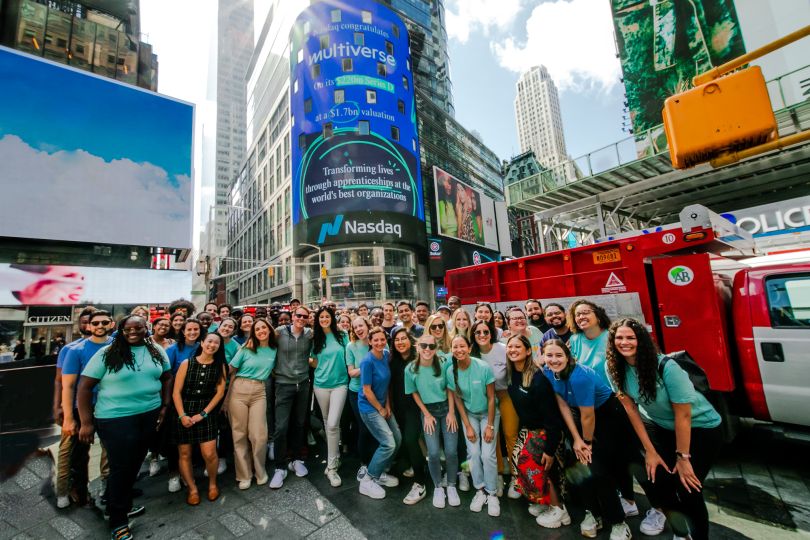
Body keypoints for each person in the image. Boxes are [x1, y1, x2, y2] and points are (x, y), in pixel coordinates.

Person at [607, 318, 722, 540]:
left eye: (631, 337)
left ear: (642, 340)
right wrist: (649, 451)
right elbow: (631, 409)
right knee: (658, 483)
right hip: (657, 425)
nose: (624, 342)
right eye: (619, 338)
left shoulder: (666, 367)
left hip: (700, 428)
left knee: (688, 488)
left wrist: (683, 457)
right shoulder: (613, 367)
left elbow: (683, 414)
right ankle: (681, 533)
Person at [77, 315, 172, 540]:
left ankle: (116, 504)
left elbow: (167, 378)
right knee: (122, 468)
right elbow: (84, 388)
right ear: (120, 330)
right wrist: (86, 422)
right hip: (115, 418)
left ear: (145, 328)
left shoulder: (156, 350)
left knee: (134, 464)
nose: (133, 332)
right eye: (128, 329)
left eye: (138, 328)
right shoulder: (107, 353)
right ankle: (119, 521)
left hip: (148, 415)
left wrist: (165, 405)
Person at [543, 339, 633, 539]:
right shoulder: (548, 372)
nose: (554, 360)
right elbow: (564, 406)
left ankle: (619, 523)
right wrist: (576, 438)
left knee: (598, 469)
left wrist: (587, 443)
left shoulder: (579, 376)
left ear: (568, 356)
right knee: (577, 469)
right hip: (579, 418)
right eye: (549, 355)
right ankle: (593, 513)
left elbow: (588, 415)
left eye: (559, 355)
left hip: (604, 417)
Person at [505, 334, 566, 526]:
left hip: (546, 431)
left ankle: (559, 510)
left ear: (528, 351)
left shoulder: (538, 380)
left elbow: (552, 418)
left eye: (518, 347)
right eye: (510, 347)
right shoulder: (512, 374)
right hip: (529, 429)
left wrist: (549, 449)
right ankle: (545, 502)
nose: (513, 350)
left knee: (541, 467)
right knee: (521, 464)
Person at [60, 310, 113, 507]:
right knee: (78, 454)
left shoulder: (117, 347)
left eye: (104, 322)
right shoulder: (75, 350)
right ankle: (78, 491)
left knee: (110, 451)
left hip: (109, 407)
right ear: (88, 326)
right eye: (96, 323)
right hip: (82, 409)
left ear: (111, 324)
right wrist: (68, 417)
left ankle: (107, 489)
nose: (100, 326)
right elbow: (68, 385)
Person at [405, 333, 460, 508]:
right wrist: (426, 415)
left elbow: (451, 389)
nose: (427, 349)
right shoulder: (410, 369)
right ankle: (438, 487)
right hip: (428, 412)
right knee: (434, 453)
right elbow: (413, 392)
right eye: (424, 346)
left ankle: (451, 485)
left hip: (446, 408)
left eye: (431, 346)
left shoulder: (444, 363)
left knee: (451, 451)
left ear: (436, 348)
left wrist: (451, 412)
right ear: (417, 347)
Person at [448, 334, 500, 516]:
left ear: (469, 348)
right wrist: (468, 426)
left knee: (487, 454)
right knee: (474, 453)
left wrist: (490, 426)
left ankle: (492, 493)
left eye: (462, 346)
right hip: (469, 415)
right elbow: (458, 400)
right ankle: (480, 489)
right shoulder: (451, 371)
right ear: (451, 350)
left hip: (488, 414)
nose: (459, 350)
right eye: (455, 347)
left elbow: (492, 398)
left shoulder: (483, 367)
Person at [172, 333, 227, 504]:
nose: (212, 345)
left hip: (206, 411)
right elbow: (176, 392)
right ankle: (192, 488)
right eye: (209, 341)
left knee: (209, 453)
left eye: (216, 343)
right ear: (202, 343)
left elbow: (220, 392)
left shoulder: (220, 366)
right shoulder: (186, 363)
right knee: (185, 453)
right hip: (185, 409)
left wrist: (203, 413)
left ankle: (212, 484)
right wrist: (182, 415)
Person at [471, 319, 519, 500]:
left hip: (504, 394)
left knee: (510, 433)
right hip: (484, 399)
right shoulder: (472, 353)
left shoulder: (503, 348)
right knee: (492, 437)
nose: (482, 335)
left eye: (486, 332)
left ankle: (516, 477)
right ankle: (498, 474)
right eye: (478, 332)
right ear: (473, 336)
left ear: (491, 333)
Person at [53, 306, 95, 508]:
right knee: (68, 450)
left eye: (92, 321)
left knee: (83, 452)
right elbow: (61, 382)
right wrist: (59, 408)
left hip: (99, 406)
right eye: (85, 322)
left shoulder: (109, 345)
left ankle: (81, 490)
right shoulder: (70, 349)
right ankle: (63, 490)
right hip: (76, 407)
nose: (89, 325)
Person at [227, 318, 277, 489]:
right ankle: (244, 475)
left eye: (264, 327)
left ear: (269, 330)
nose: (261, 331)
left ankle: (260, 470)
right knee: (239, 434)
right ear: (253, 333)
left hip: (259, 390)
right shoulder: (246, 348)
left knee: (259, 435)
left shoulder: (274, 349)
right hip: (239, 389)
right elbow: (230, 370)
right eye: (257, 329)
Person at [269, 306, 312, 488]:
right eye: (298, 315)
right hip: (283, 384)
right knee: (281, 426)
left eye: (305, 316)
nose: (301, 318)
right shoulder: (279, 332)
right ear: (292, 316)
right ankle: (280, 467)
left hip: (302, 383)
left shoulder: (310, 334)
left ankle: (296, 459)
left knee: (299, 423)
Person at [357, 327, 401, 499]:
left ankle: (380, 472)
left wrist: (387, 405)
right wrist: (380, 409)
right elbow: (367, 390)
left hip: (383, 405)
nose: (379, 342)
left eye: (382, 339)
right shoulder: (367, 361)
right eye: (375, 340)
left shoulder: (385, 355)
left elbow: (386, 384)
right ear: (370, 342)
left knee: (397, 439)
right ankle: (368, 480)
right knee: (388, 443)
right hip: (369, 408)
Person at [163, 319, 205, 492]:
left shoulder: (202, 347)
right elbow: (166, 376)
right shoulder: (173, 350)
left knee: (195, 437)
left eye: (196, 329)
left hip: (199, 396)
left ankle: (189, 472)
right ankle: (174, 474)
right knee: (177, 440)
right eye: (189, 329)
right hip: (178, 398)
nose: (193, 332)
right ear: (183, 331)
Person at [310, 307, 350, 487]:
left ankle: (332, 467)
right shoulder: (314, 339)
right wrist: (313, 363)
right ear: (317, 320)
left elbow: (349, 356)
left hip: (340, 384)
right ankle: (336, 457)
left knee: (333, 424)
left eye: (327, 316)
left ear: (332, 318)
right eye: (321, 317)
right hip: (320, 385)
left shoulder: (342, 335)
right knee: (327, 422)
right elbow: (312, 360)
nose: (324, 319)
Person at [390, 327, 428, 504]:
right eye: (396, 340)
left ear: (410, 340)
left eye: (403, 338)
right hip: (399, 408)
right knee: (408, 441)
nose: (400, 342)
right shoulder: (392, 361)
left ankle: (420, 484)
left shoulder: (419, 358)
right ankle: (418, 465)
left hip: (417, 407)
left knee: (411, 439)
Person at [347, 316, 376, 480]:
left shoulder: (377, 342)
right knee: (364, 428)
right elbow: (351, 372)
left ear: (367, 325)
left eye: (361, 325)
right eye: (355, 327)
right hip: (357, 392)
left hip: (376, 392)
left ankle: (377, 462)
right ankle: (364, 464)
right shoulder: (350, 346)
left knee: (376, 428)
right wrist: (368, 365)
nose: (358, 329)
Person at [567, 300, 612, 386]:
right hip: (586, 392)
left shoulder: (612, 336)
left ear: (598, 316)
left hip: (612, 393)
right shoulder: (574, 340)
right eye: (578, 315)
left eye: (586, 313)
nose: (581, 317)